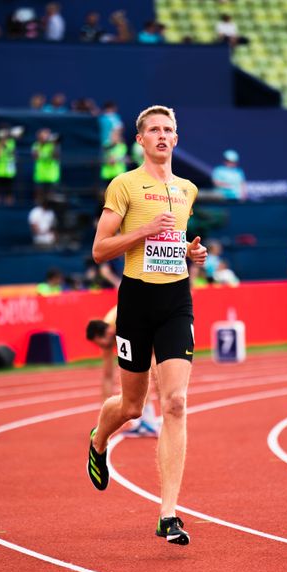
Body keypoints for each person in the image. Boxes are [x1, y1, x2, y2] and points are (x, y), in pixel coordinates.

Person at [87, 105, 207, 546]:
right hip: (136, 301)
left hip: (176, 300)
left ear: (177, 138)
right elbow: (100, 249)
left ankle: (168, 514)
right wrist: (142, 232)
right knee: (134, 407)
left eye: (168, 129)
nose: (162, 135)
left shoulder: (187, 189)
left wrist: (191, 254)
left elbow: (173, 245)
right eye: (153, 129)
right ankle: (100, 439)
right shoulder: (124, 185)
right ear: (140, 139)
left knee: (174, 402)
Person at [86, 307, 160, 437]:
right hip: (138, 324)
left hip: (150, 320)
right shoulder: (107, 339)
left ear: (108, 332)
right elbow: (107, 376)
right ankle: (147, 421)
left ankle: (151, 420)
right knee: (137, 371)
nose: (103, 347)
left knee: (149, 369)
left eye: (102, 344)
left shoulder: (122, 322)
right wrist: (105, 413)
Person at [31, 128, 61, 204]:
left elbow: (56, 156)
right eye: (43, 135)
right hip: (40, 175)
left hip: (52, 175)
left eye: (47, 134)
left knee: (51, 196)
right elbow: (35, 157)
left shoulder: (54, 145)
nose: (46, 136)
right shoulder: (36, 145)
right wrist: (41, 144)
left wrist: (53, 144)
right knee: (39, 196)